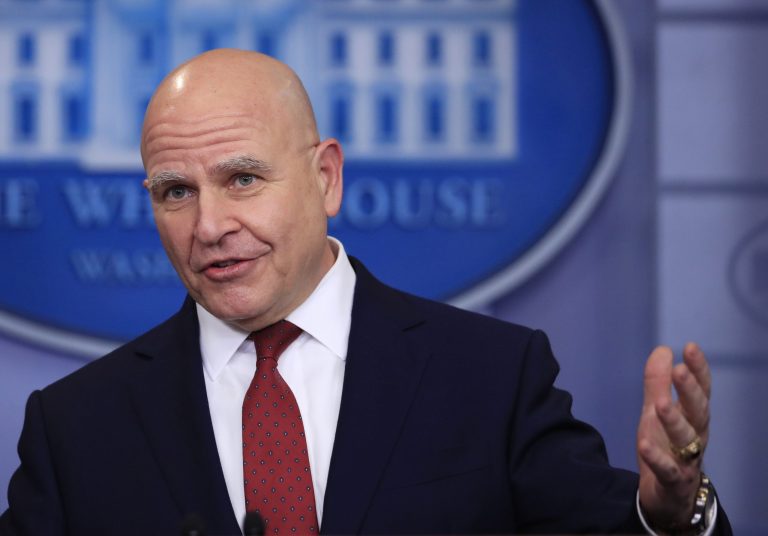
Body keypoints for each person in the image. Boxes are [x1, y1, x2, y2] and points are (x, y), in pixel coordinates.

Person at [0, 49, 731, 536]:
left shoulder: (490, 377)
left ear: (326, 179)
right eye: (175, 191)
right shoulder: (74, 428)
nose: (209, 225)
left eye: (242, 179)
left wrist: (673, 515)